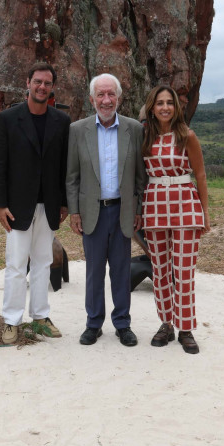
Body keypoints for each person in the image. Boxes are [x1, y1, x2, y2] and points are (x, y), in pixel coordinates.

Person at [0, 62, 71, 344]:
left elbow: (64, 167)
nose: (42, 87)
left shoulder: (61, 121)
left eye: (47, 83)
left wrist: (64, 203)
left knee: (43, 262)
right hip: (17, 206)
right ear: (27, 83)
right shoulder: (8, 119)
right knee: (16, 265)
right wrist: (0, 204)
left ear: (52, 87)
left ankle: (40, 317)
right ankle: (12, 320)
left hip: (48, 205)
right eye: (37, 81)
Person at [65, 73, 146, 347]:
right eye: (100, 95)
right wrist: (74, 211)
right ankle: (93, 324)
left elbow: (139, 176)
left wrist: (139, 209)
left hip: (123, 212)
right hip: (92, 212)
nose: (106, 100)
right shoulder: (78, 130)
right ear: (92, 99)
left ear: (119, 98)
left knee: (121, 271)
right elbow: (72, 177)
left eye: (111, 94)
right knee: (94, 271)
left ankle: (122, 324)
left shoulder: (134, 129)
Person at [140, 86, 210, 354]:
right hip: (155, 203)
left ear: (176, 108)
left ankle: (186, 327)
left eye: (170, 103)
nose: (165, 107)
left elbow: (201, 175)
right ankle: (166, 323)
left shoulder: (186, 136)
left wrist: (205, 213)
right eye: (160, 103)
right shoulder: (146, 136)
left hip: (185, 203)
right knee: (160, 269)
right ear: (152, 107)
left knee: (183, 269)